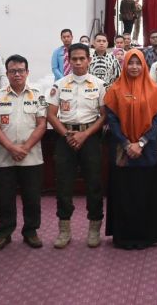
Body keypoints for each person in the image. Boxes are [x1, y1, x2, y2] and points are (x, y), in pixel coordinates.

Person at [104, 50, 157, 249]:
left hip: (146, 150)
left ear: (144, 65)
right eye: (130, 63)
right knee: (124, 193)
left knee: (144, 193)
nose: (133, 67)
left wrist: (140, 143)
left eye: (137, 63)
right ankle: (124, 236)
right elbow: (112, 121)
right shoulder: (115, 89)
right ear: (124, 66)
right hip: (122, 150)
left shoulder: (154, 90)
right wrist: (126, 143)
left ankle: (147, 236)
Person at [47, 43, 107, 249]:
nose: (78, 62)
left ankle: (94, 229)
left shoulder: (99, 84)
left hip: (90, 137)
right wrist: (67, 135)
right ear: (69, 61)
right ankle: (64, 230)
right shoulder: (60, 84)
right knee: (63, 184)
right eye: (74, 59)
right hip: (66, 137)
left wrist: (86, 134)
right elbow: (51, 114)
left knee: (94, 184)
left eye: (82, 58)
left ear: (89, 60)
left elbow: (104, 115)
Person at [0, 55, 47, 250]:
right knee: (5, 198)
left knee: (32, 197)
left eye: (21, 70)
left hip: (32, 157)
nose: (17, 74)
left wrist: (26, 147)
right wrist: (11, 147)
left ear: (27, 73)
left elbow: (42, 124)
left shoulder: (37, 95)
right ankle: (4, 232)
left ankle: (31, 231)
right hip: (5, 157)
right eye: (13, 71)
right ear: (7, 73)